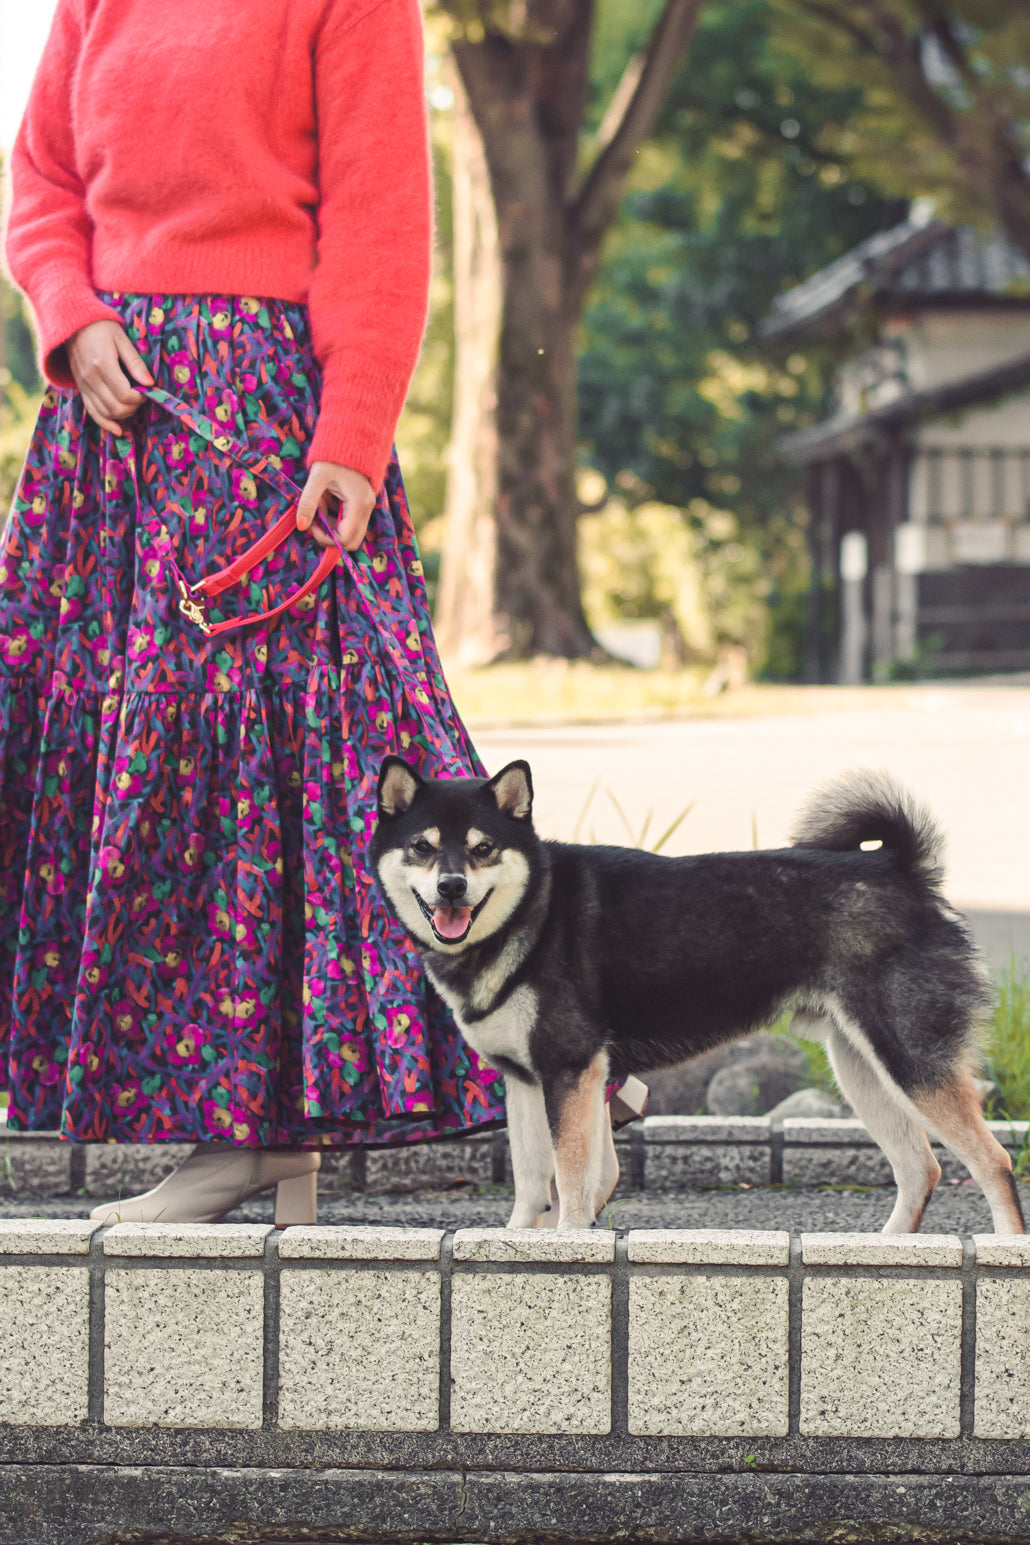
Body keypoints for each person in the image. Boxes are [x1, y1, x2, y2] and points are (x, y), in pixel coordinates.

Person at [3, 0, 646, 1229]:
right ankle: (246, 1138)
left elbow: (379, 221)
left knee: (285, 771)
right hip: (109, 433)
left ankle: (513, 1066)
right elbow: (38, 178)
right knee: (144, 777)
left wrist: (350, 435)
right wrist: (69, 313)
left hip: (264, 426)